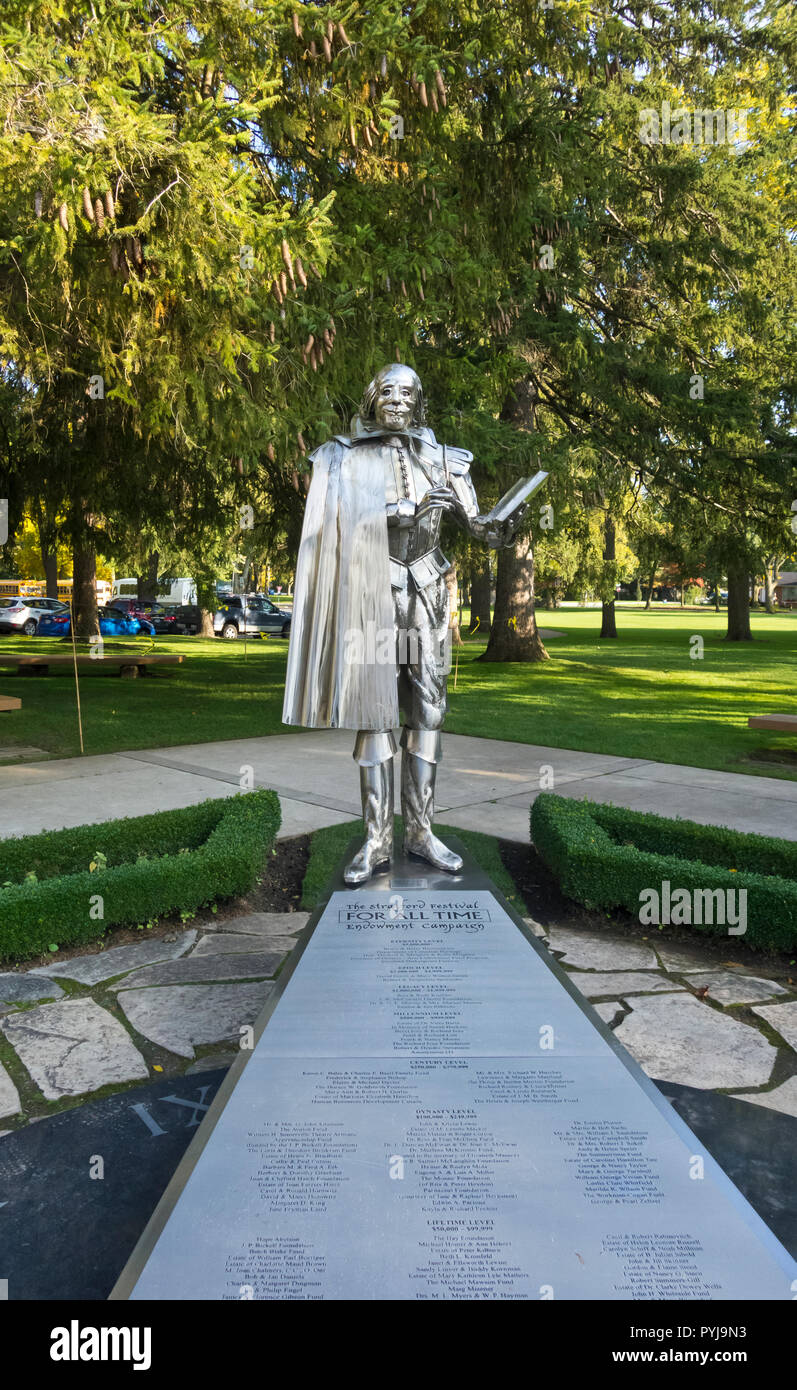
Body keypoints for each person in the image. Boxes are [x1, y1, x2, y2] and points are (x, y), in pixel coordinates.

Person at [283, 363, 526, 884]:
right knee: (375, 714)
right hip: (372, 589)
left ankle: (420, 831)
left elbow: (479, 530)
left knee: (428, 713)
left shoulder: (445, 459)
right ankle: (375, 839)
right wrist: (392, 515)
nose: (397, 400)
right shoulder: (341, 458)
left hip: (428, 590)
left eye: (407, 392)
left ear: (419, 401)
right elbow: (326, 532)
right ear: (372, 398)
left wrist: (500, 530)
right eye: (387, 391)